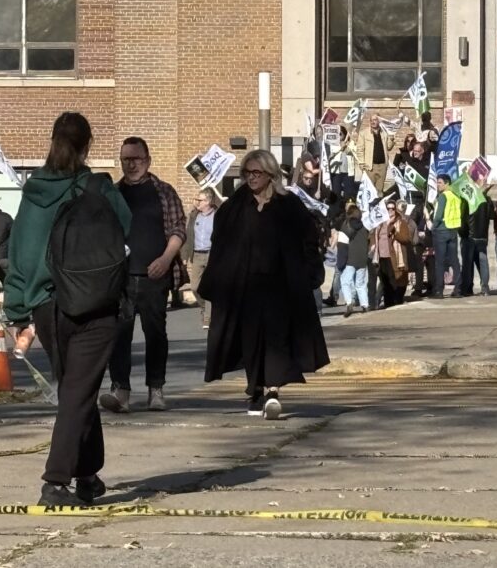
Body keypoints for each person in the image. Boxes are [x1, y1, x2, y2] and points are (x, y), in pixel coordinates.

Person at [4, 111, 132, 506]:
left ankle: (88, 474)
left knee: (79, 390)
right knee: (78, 391)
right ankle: (55, 481)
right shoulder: (98, 187)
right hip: (94, 302)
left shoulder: (32, 193)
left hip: (47, 306)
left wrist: (17, 310)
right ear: (88, 145)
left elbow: (19, 253)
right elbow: (125, 228)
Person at [200, 149, 329, 419]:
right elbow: (221, 240)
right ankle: (255, 389)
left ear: (270, 175)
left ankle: (272, 391)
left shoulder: (288, 205)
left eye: (257, 173)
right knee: (249, 340)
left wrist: (309, 272)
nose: (251, 178)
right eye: (247, 173)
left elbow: (307, 238)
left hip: (280, 286)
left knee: (276, 339)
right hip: (244, 286)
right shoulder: (236, 205)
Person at [100, 136, 188, 414]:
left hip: (155, 277)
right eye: (126, 159)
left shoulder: (164, 191)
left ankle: (156, 390)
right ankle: (121, 391)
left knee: (156, 335)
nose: (131, 164)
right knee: (119, 336)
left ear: (148, 160)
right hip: (121, 279)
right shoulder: (113, 194)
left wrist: (165, 259)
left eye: (136, 159)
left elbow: (178, 230)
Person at [183, 189, 218, 329]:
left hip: (211, 254)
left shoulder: (218, 215)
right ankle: (204, 306)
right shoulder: (193, 216)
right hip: (197, 254)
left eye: (200, 200)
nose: (197, 202)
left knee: (209, 286)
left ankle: (207, 318)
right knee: (195, 286)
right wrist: (185, 256)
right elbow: (188, 236)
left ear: (208, 201)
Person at [431, 174, 463, 299]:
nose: (437, 185)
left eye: (439, 183)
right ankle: (458, 289)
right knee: (454, 260)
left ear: (447, 183)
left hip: (442, 230)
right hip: (453, 230)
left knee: (440, 262)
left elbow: (438, 216)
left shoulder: (443, 196)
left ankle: (439, 290)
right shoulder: (456, 195)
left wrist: (433, 226)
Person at [460, 186, 494, 296]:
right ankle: (485, 288)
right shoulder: (487, 201)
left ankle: (467, 288)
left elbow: (463, 219)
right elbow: (491, 216)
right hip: (482, 236)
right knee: (483, 263)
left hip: (469, 236)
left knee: (468, 264)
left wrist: (462, 233)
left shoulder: (468, 200)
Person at [337, 205, 370, 317]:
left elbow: (342, 246)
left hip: (350, 259)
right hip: (362, 259)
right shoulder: (364, 227)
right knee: (360, 284)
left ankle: (349, 303)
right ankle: (365, 305)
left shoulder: (346, 226)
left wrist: (340, 262)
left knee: (345, 281)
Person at [358, 114, 395, 192]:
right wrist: (361, 163)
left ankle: (379, 202)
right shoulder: (364, 133)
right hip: (370, 166)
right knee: (369, 189)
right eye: (371, 120)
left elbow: (389, 147)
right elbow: (360, 149)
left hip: (382, 166)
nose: (372, 122)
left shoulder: (384, 132)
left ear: (379, 121)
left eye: (375, 120)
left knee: (379, 190)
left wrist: (391, 138)